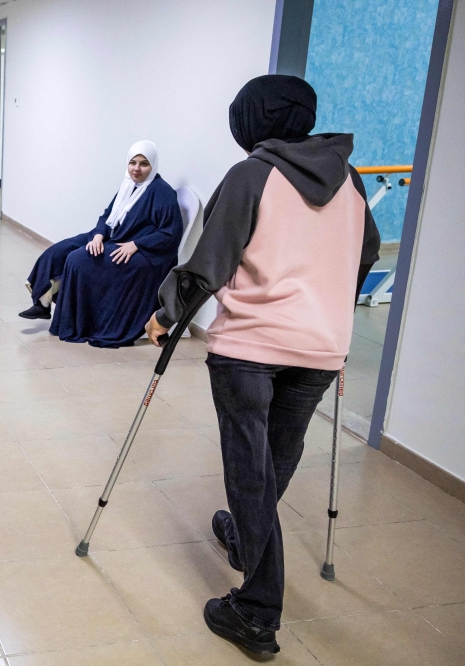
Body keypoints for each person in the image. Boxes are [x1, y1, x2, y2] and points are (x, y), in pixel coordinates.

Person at [145, 75, 380, 654]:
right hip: (321, 346)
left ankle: (256, 609)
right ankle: (247, 535)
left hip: (251, 349)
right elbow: (366, 251)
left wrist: (164, 315)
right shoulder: (349, 179)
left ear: (252, 121)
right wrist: (327, 308)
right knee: (278, 456)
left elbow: (208, 263)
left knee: (251, 467)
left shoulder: (252, 175)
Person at [19, 141, 184, 347]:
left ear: (153, 166)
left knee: (78, 259)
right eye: (132, 162)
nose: (136, 168)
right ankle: (43, 304)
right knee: (57, 252)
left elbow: (171, 233)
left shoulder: (162, 192)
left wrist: (137, 245)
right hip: (111, 237)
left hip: (143, 250)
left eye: (144, 164)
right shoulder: (128, 186)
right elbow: (108, 216)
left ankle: (77, 320)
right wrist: (98, 235)